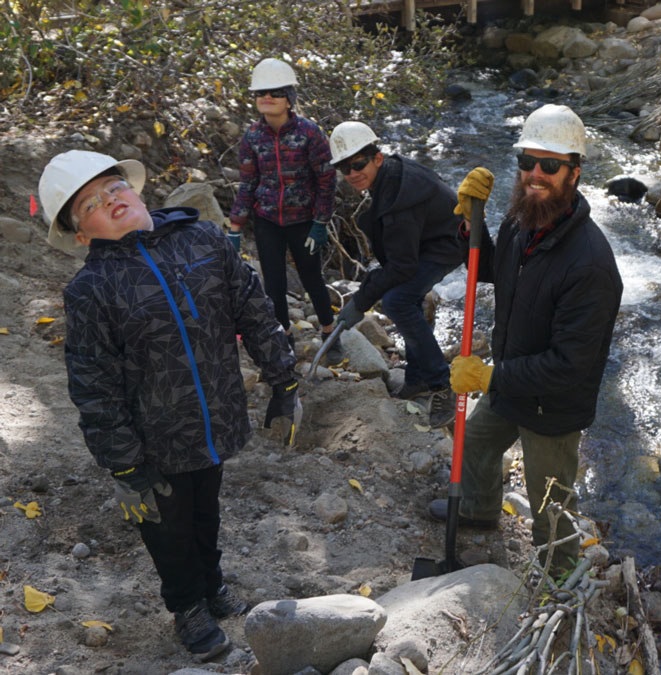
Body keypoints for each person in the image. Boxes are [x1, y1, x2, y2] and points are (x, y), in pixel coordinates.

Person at [40, 150, 300, 661]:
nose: (110, 201)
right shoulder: (91, 290)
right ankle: (187, 606)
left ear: (135, 190)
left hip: (216, 416)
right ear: (81, 235)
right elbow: (94, 384)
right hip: (152, 441)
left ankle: (212, 584)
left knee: (207, 509)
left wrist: (283, 382)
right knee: (167, 525)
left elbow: (254, 308)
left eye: (114, 188)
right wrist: (124, 463)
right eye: (90, 204)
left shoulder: (203, 240)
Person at [429, 104, 623, 574]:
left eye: (550, 165)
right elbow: (492, 269)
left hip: (552, 407)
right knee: (470, 440)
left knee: (550, 507)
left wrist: (489, 375)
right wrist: (468, 223)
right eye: (526, 161)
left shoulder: (591, 264)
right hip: (511, 381)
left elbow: (568, 365)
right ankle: (477, 510)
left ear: (574, 173)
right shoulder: (522, 220)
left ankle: (560, 579)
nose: (535, 174)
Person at [328, 121, 464, 428]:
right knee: (406, 296)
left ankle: (443, 385)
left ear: (377, 158)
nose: (352, 174)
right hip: (430, 238)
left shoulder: (400, 197)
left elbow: (402, 267)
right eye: (345, 169)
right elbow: (398, 260)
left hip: (448, 243)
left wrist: (360, 302)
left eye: (358, 164)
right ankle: (417, 378)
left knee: (397, 302)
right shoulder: (389, 176)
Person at [229, 58, 342, 365]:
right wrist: (235, 228)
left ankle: (330, 332)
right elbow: (247, 182)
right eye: (261, 92)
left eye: (275, 92)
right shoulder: (252, 136)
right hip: (267, 220)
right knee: (274, 284)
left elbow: (326, 179)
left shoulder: (310, 133)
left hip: (304, 221)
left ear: (289, 98)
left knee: (312, 277)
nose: (267, 98)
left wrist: (321, 222)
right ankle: (283, 338)